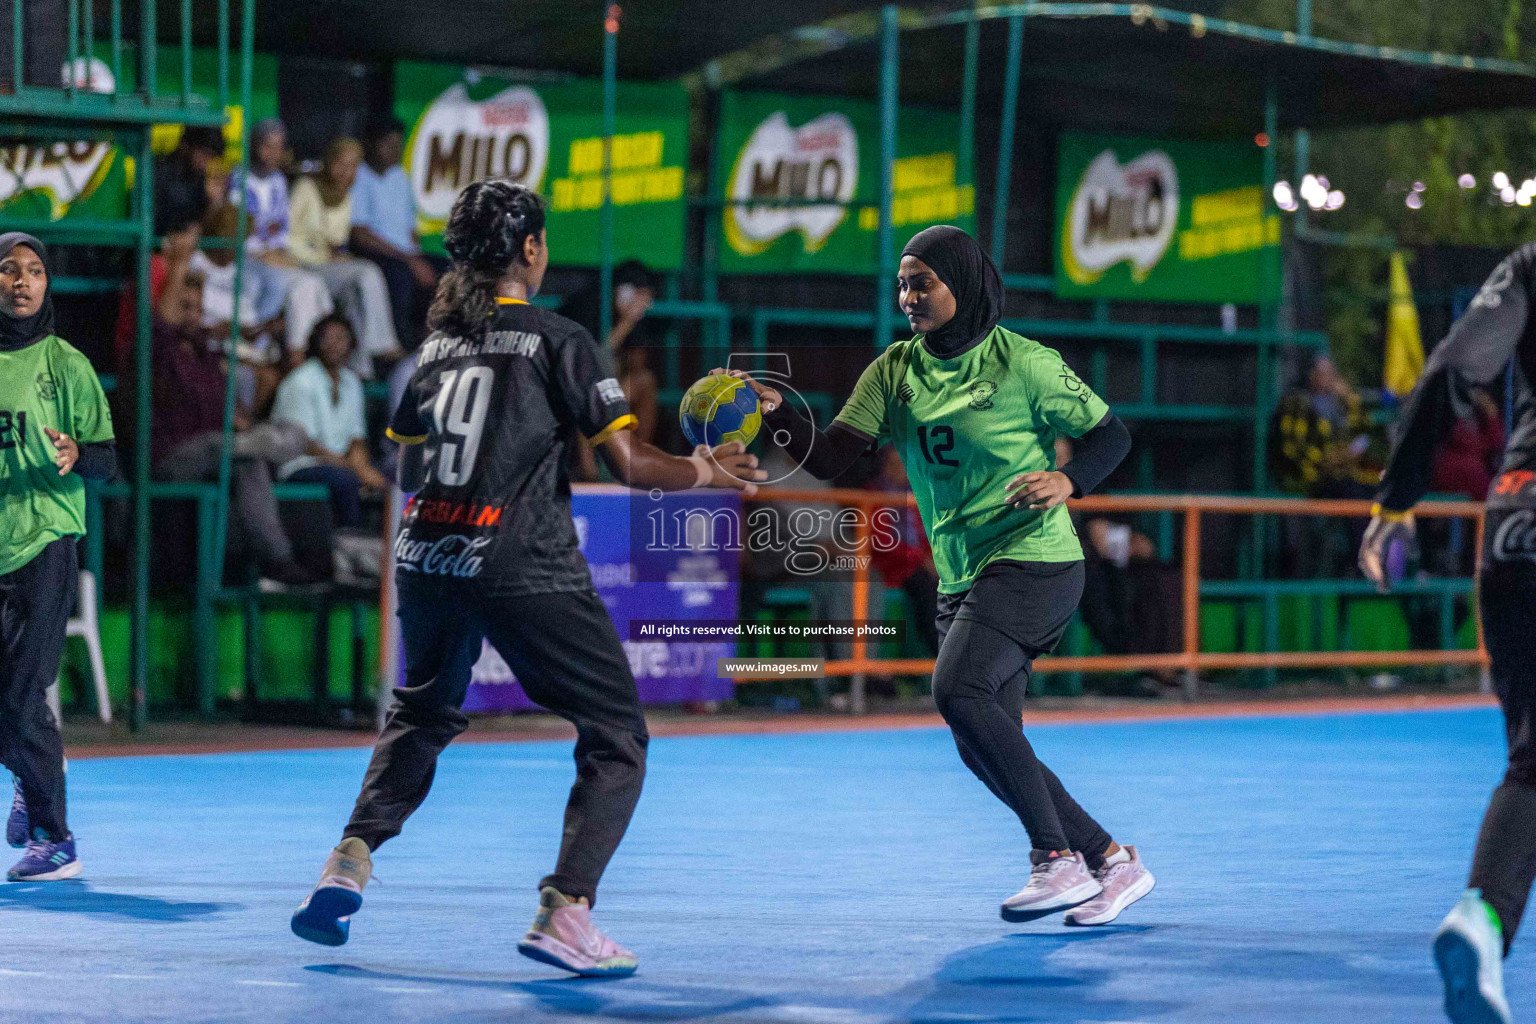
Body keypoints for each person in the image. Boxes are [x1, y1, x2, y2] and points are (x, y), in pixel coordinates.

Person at [290, 181, 765, 975]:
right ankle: (565, 910)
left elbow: (409, 466)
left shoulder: (433, 354)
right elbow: (628, 461)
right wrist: (708, 469)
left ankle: (350, 856)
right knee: (617, 734)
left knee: (423, 712)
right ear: (533, 250)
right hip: (522, 560)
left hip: (426, 556)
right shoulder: (558, 340)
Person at [720, 224, 1152, 926]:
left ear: (964, 281)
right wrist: (779, 416)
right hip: (961, 574)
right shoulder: (896, 370)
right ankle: (1112, 860)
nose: (908, 295)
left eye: (923, 281)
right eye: (902, 283)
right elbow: (831, 458)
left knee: (956, 688)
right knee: (983, 744)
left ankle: (1056, 860)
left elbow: (1114, 435)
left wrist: (1069, 482)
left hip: (1034, 561)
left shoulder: (1025, 363)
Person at [1360, 242, 1536, 1024]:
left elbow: (1449, 371)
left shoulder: (1532, 265)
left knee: (1533, 760)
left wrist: (1395, 501)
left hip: (1514, 526)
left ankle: (1484, 921)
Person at [0, 233, 116, 882]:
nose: (22, 280)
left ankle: (54, 839)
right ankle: (33, 766)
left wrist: (77, 453)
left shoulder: (66, 365)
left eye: (35, 271)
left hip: (46, 543)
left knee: (21, 696)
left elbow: (106, 460)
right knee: (13, 707)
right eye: (9, 269)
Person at [151, 225, 318, 588]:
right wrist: (179, 265)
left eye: (198, 308)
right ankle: (267, 448)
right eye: (185, 306)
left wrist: (240, 422)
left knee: (250, 462)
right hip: (169, 458)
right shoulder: (156, 349)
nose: (193, 315)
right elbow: (160, 324)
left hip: (222, 449)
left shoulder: (206, 355)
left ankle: (278, 562)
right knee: (229, 446)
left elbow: (233, 411)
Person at [287, 136, 403, 377]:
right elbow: (288, 238)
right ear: (329, 162)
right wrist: (323, 255)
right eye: (341, 164)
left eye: (352, 167)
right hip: (301, 264)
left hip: (327, 266)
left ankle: (360, 369)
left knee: (354, 293)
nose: (345, 172)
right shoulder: (306, 188)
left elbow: (336, 243)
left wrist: (337, 255)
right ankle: (384, 345)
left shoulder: (346, 198)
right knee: (367, 272)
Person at [233, 118, 335, 368]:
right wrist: (263, 254)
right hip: (245, 257)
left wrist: (278, 251)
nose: (273, 154)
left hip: (274, 255)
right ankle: (257, 344)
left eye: (278, 147)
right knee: (276, 282)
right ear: (254, 145)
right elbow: (237, 230)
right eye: (267, 146)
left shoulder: (279, 181)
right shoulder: (238, 178)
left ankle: (305, 353)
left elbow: (281, 228)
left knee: (312, 284)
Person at [271, 314, 387, 529]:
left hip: (339, 466)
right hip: (298, 465)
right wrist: (357, 470)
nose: (335, 344)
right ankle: (349, 538)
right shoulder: (300, 381)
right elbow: (305, 444)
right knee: (345, 480)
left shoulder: (352, 382)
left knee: (387, 478)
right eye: (328, 337)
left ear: (352, 344)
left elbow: (356, 440)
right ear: (316, 342)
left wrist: (364, 468)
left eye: (341, 338)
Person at [349, 115, 445, 347]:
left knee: (449, 272)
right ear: (372, 144)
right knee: (400, 277)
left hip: (406, 254)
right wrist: (410, 261)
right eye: (389, 145)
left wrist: (417, 256)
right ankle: (400, 346)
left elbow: (410, 228)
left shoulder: (400, 176)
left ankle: (435, 341)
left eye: (398, 145)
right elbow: (360, 234)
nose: (396, 151)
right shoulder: (358, 176)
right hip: (376, 254)